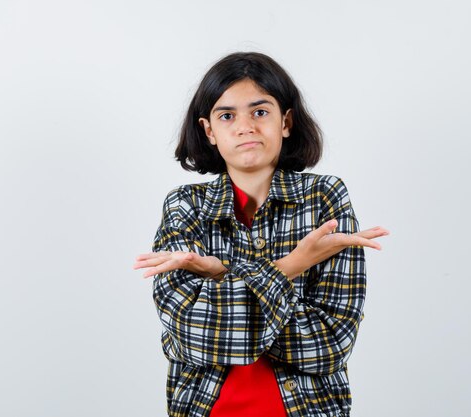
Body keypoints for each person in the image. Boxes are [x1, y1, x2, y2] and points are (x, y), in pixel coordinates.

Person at [133, 51, 389, 417]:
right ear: (209, 131)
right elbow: (190, 335)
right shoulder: (184, 205)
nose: (245, 126)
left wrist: (222, 276)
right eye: (227, 115)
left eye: (260, 112)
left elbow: (331, 342)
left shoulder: (324, 197)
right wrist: (292, 264)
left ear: (285, 122)